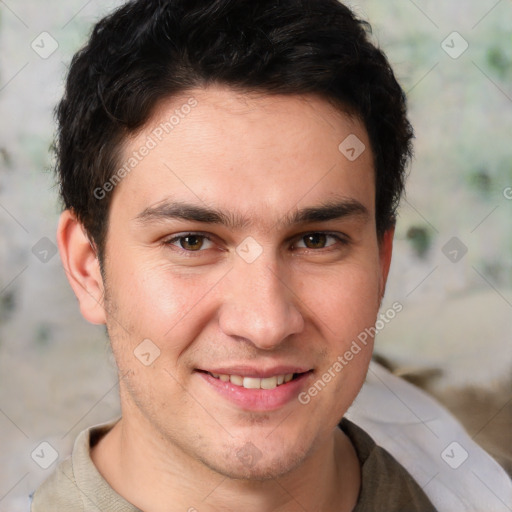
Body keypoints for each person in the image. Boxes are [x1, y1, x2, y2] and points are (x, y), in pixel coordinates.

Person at [30, 0, 511, 510]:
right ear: (88, 269)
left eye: (316, 240)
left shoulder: (471, 481)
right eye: (191, 241)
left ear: (381, 261)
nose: (265, 324)